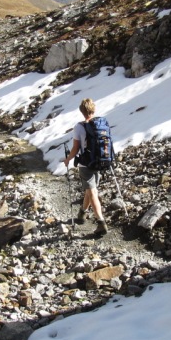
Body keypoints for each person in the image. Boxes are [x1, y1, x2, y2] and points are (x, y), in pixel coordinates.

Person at [62, 97, 108, 237]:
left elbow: (76, 148)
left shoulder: (79, 127)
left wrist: (68, 159)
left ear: (82, 111)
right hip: (100, 161)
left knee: (92, 191)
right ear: (93, 109)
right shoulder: (102, 123)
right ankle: (82, 213)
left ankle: (101, 222)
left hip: (85, 163)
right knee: (90, 189)